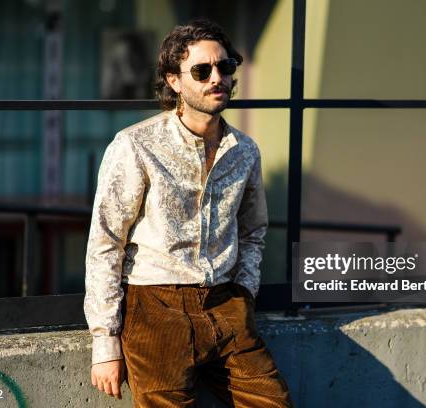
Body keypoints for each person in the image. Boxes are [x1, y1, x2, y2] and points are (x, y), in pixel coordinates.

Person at [84, 18, 293, 407]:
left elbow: (253, 230)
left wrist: (245, 293)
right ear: (175, 81)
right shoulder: (136, 145)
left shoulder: (244, 151)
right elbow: (106, 242)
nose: (217, 77)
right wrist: (105, 341)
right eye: (202, 70)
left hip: (226, 305)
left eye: (225, 66)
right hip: (156, 307)